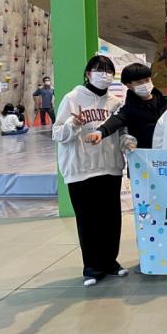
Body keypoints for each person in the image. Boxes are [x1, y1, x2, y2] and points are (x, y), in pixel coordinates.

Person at [52, 55, 135, 286]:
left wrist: (128, 142)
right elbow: (57, 133)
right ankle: (91, 266)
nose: (104, 75)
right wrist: (74, 124)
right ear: (88, 74)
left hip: (109, 167)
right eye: (99, 70)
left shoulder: (115, 102)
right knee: (88, 220)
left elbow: (122, 132)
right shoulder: (72, 98)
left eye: (109, 71)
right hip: (81, 169)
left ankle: (110, 262)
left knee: (111, 218)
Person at [84, 63, 167, 149]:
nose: (145, 84)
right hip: (143, 153)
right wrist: (100, 132)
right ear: (129, 85)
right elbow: (116, 120)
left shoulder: (165, 102)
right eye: (139, 82)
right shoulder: (128, 107)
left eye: (147, 80)